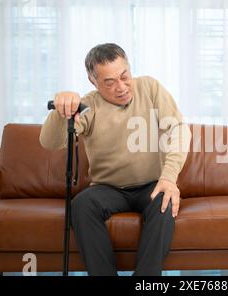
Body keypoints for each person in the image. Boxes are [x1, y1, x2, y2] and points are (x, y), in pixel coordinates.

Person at [39, 43, 191, 276]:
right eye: (109, 83)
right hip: (108, 189)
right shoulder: (88, 106)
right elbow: (50, 143)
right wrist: (60, 112)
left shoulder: (149, 88)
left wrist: (169, 177)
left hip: (151, 185)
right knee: (81, 204)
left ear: (130, 69)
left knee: (165, 200)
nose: (121, 87)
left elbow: (179, 129)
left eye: (124, 76)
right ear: (93, 81)